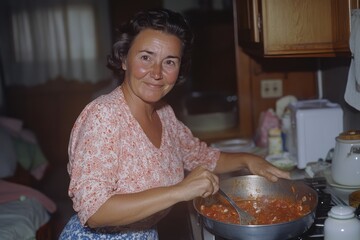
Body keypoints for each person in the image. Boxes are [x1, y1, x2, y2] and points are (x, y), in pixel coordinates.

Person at [59, 8, 290, 240]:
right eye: (146, 57)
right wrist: (179, 191)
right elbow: (94, 211)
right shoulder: (103, 116)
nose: (157, 73)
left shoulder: (164, 113)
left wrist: (248, 160)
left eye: (169, 62)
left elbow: (199, 156)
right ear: (124, 59)